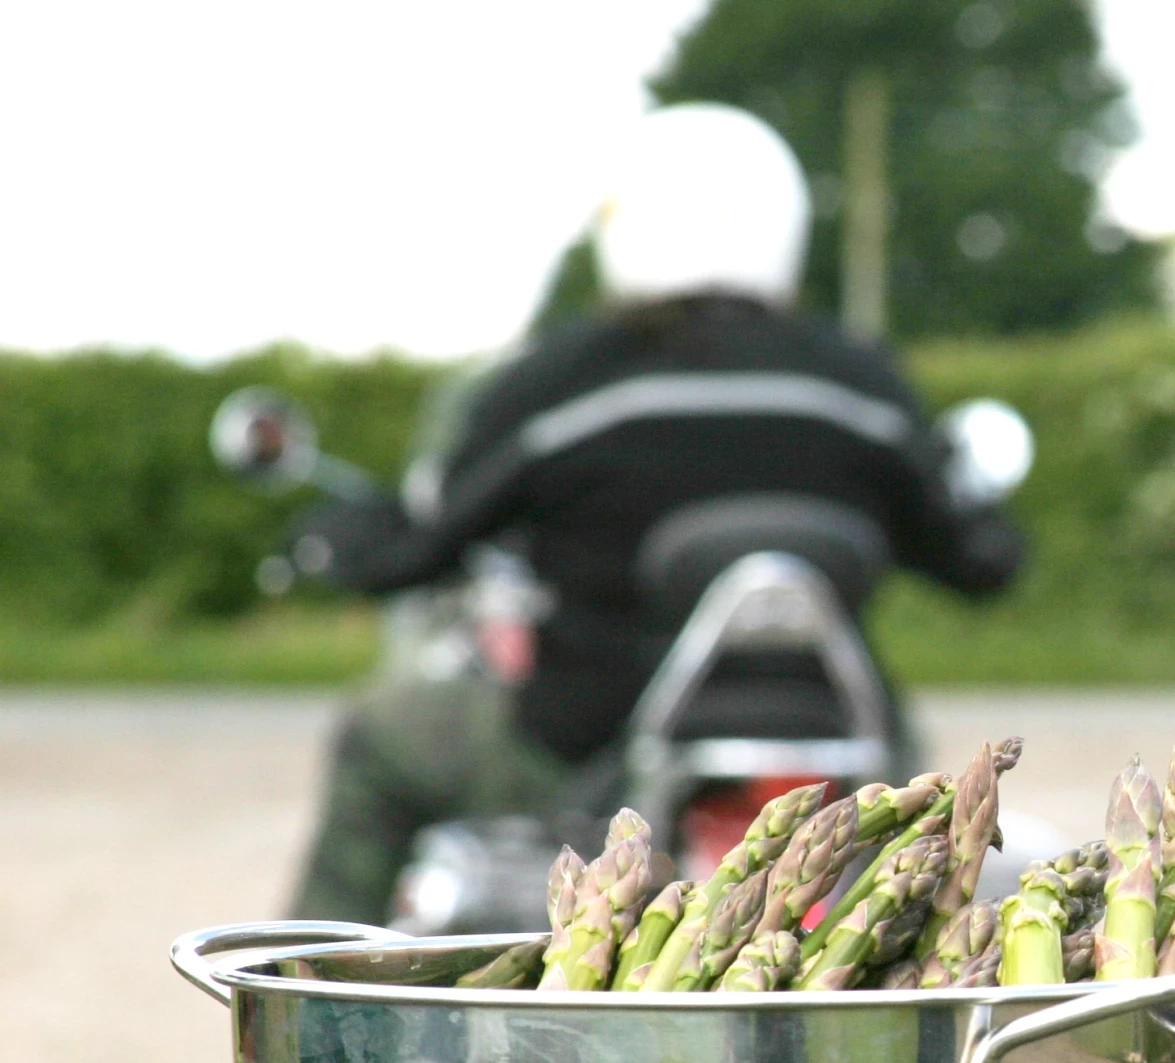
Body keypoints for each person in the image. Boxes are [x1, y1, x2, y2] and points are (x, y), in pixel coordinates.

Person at [286, 103, 1023, 925]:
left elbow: (418, 547)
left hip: (589, 748)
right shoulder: (862, 385)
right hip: (837, 757)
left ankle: (308, 987)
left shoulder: (555, 384)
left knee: (376, 738)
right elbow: (981, 562)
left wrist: (343, 538)